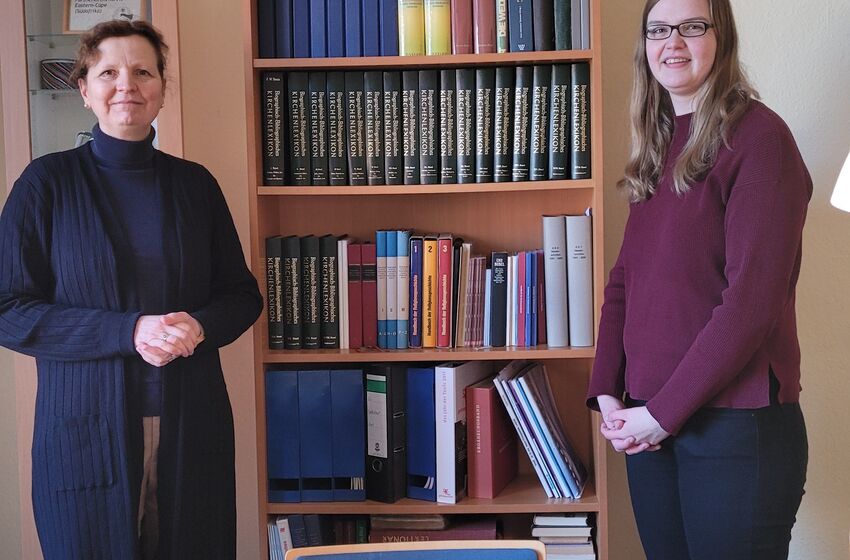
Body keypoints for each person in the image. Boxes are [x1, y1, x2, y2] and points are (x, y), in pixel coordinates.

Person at [0, 20, 262, 560]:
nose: (127, 85)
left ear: (162, 88)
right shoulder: (45, 184)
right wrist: (128, 331)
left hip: (192, 423)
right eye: (109, 73)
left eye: (143, 72)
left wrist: (200, 325)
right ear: (84, 89)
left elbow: (241, 295)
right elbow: (8, 309)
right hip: (82, 430)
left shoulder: (196, 185)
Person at [586, 0, 810, 558]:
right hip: (650, 424)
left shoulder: (759, 138)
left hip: (736, 428)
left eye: (692, 26)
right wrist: (608, 391)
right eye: (659, 30)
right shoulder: (660, 143)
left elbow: (750, 304)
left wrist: (661, 414)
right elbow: (626, 280)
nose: (673, 43)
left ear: (721, 36)